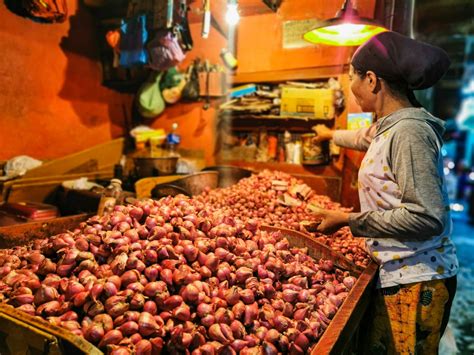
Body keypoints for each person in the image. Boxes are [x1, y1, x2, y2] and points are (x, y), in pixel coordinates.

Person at [312, 31, 459, 354]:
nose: (351, 87)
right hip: (399, 273)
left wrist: (350, 220)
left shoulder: (409, 133)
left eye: (352, 77)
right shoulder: (389, 127)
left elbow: (427, 216)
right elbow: (363, 138)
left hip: (417, 280)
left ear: (372, 80)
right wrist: (328, 135)